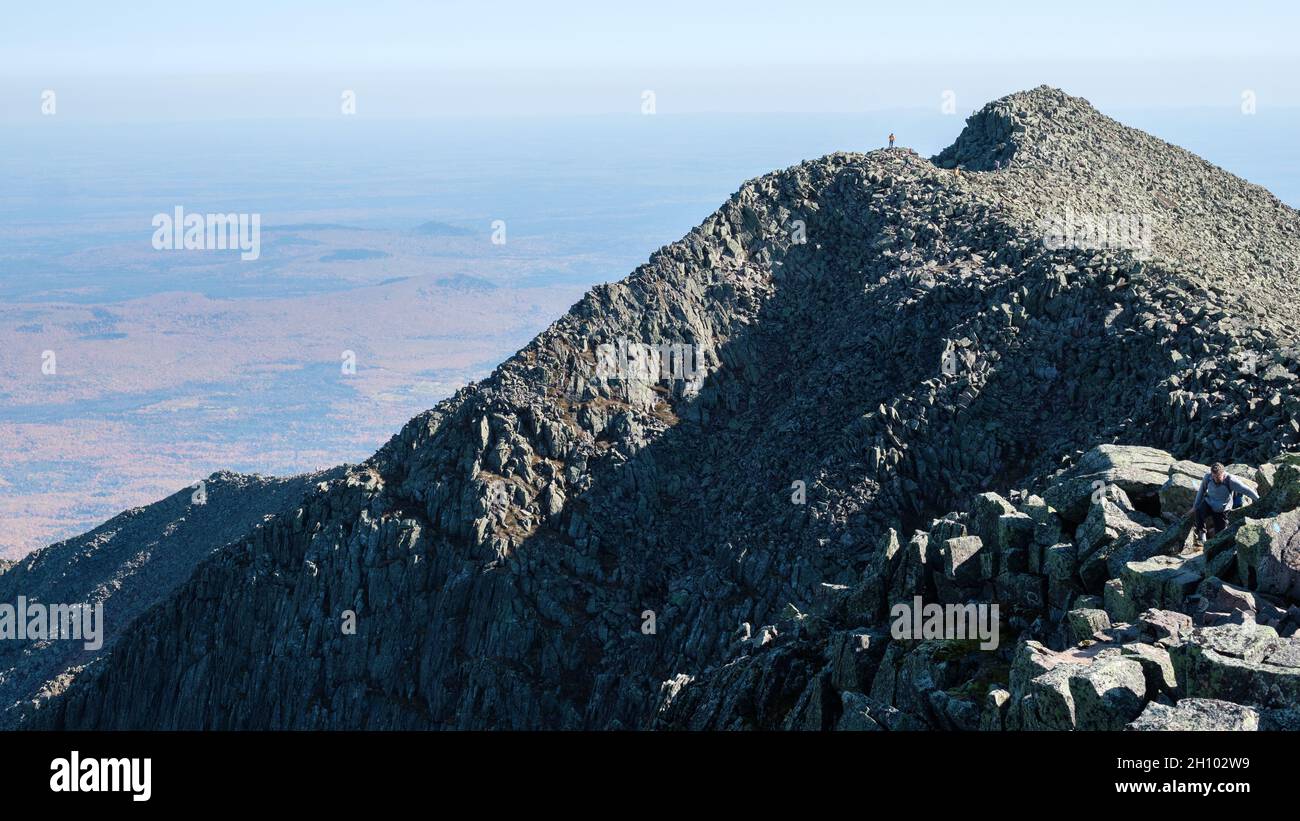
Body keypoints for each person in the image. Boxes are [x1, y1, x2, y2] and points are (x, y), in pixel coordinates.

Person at [1187, 462, 1259, 542]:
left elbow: (1247, 490)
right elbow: (1201, 491)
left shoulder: (1230, 480)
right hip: (1209, 503)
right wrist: (1194, 506)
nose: (1215, 479)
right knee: (1199, 510)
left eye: (1218, 477)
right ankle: (1202, 535)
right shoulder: (1208, 477)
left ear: (1223, 474)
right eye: (1214, 476)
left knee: (1220, 534)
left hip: (1222, 509)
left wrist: (1259, 500)